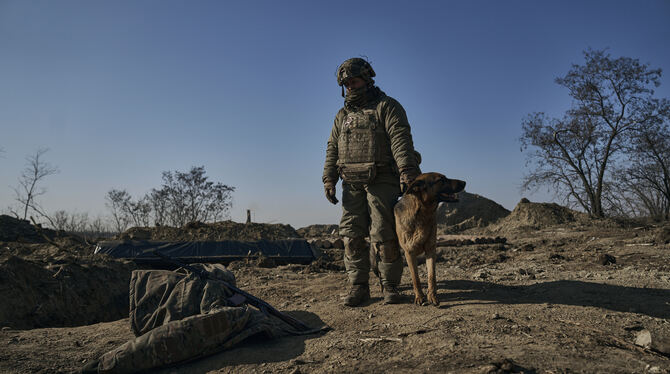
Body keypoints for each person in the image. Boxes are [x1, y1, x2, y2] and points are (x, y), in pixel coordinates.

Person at [322, 57, 421, 306]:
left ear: (367, 79)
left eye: (354, 81)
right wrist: (328, 179)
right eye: (345, 84)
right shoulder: (342, 115)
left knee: (384, 234)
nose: (350, 88)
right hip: (351, 183)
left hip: (382, 179)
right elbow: (333, 147)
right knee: (352, 236)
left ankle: (390, 287)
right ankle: (359, 287)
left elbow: (400, 138)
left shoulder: (387, 107)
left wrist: (407, 170)